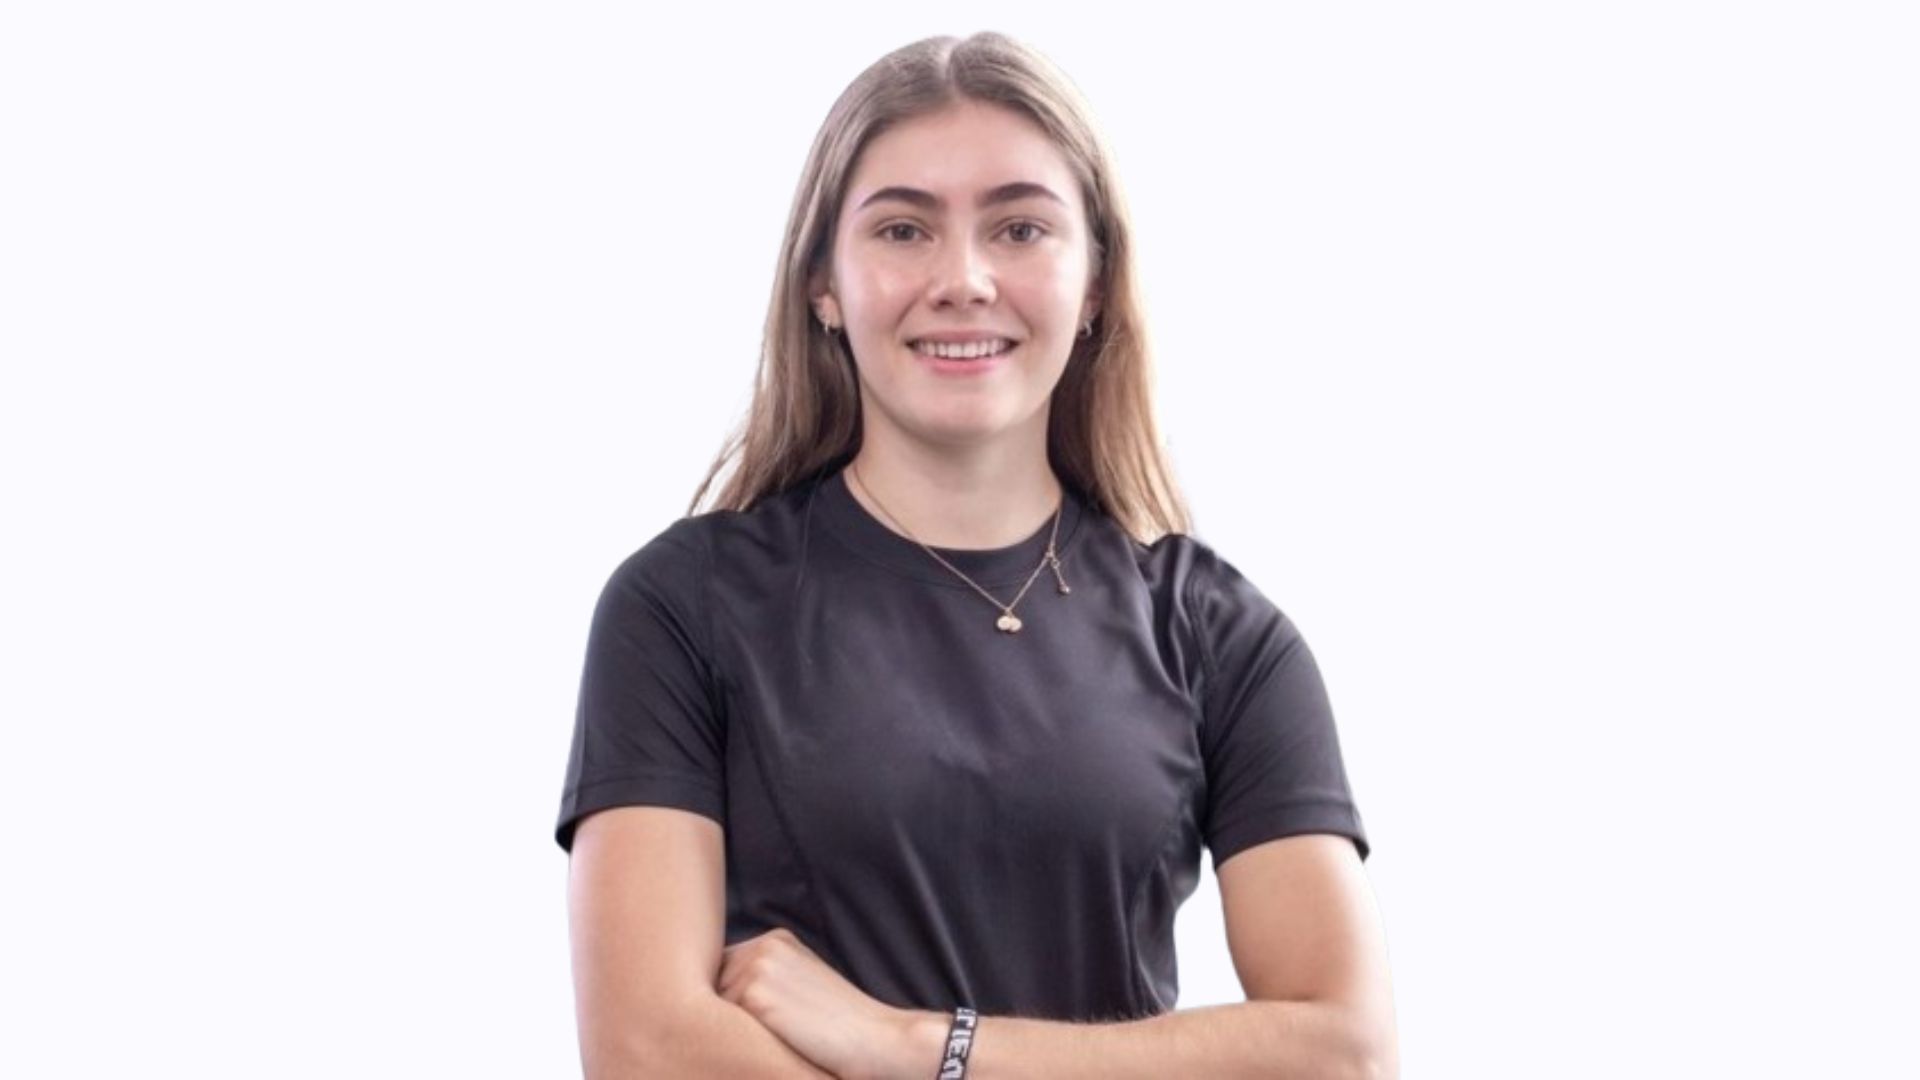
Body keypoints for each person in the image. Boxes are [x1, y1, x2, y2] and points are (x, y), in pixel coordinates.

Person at [555, 31, 1398, 1080]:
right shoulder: (683, 609)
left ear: (1094, 285)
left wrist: (914, 1045)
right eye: (904, 229)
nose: (962, 279)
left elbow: (1341, 1051)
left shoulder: (1220, 637)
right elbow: (649, 1050)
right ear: (824, 283)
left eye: (1020, 228)